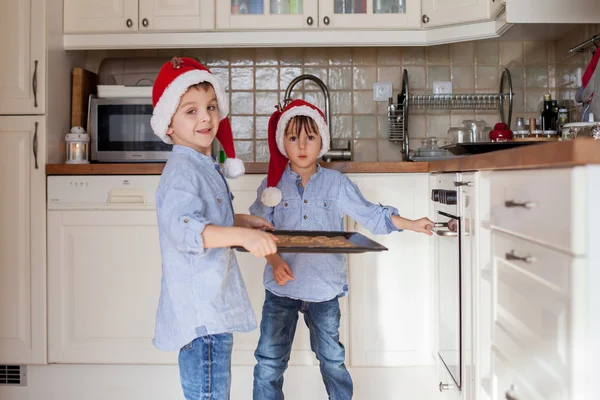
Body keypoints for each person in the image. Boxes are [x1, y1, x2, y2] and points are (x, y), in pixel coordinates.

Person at [249, 99, 434, 400]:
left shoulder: (336, 184)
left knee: (332, 361)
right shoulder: (271, 186)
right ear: (282, 142)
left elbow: (372, 214)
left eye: (310, 137)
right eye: (293, 137)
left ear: (322, 140)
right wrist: (273, 260)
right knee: (269, 363)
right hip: (280, 291)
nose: (302, 145)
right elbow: (259, 230)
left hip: (324, 291)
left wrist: (411, 223)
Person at [150, 57, 278, 399]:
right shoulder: (181, 171)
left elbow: (207, 218)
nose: (205, 117)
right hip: (201, 320)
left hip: (211, 313)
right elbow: (186, 229)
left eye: (210, 107)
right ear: (169, 125)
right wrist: (243, 236)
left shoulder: (203, 163)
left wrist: (242, 221)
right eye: (190, 111)